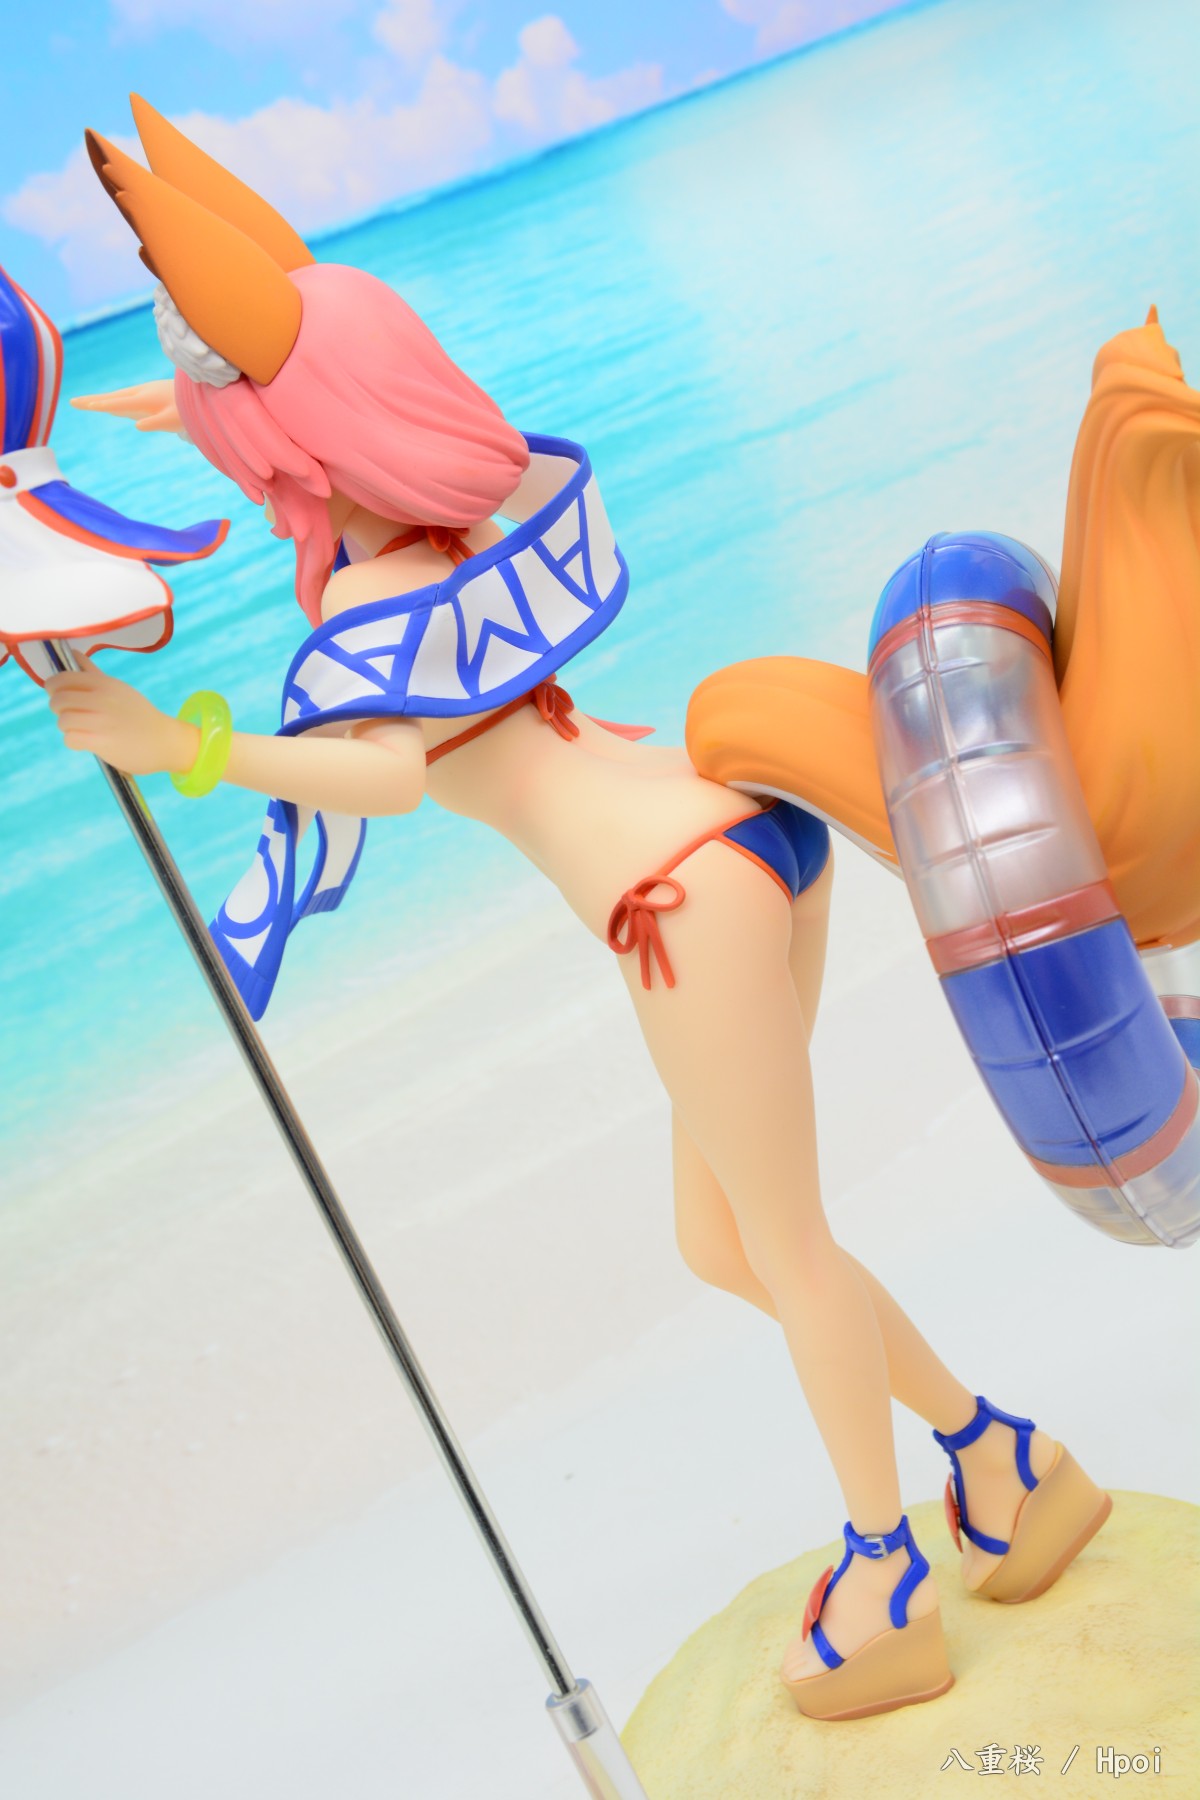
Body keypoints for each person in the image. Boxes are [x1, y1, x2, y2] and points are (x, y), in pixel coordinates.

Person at [49, 96, 1148, 1722]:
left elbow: (383, 778)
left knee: (784, 1248)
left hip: (671, 905)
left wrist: (179, 745)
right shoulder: (461, 520)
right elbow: (306, 397)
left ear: (290, 448)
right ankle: (1003, 1462)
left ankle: (888, 1580)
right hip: (743, 832)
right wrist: (196, 414)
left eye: (243, 443)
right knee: (730, 1245)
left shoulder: (372, 591)